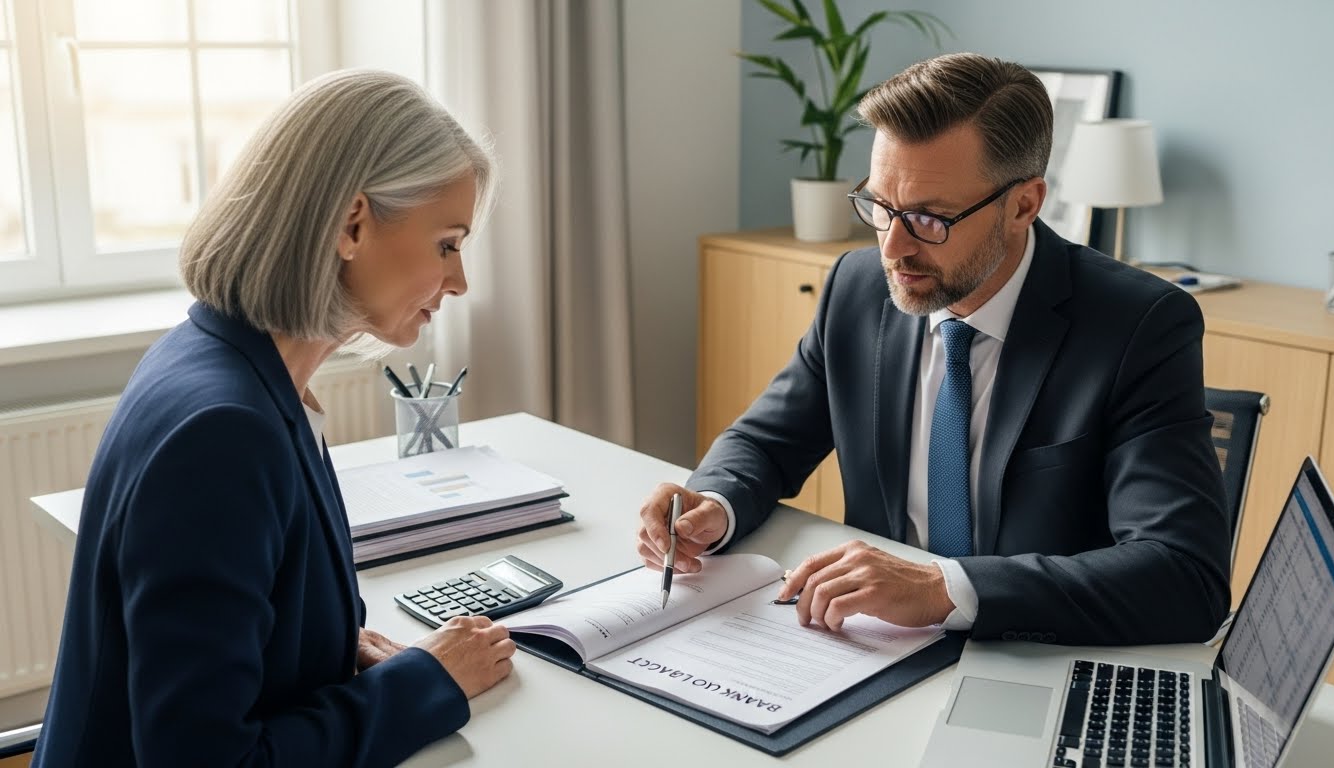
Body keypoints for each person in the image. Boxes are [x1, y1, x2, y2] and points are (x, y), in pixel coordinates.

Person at [636, 53, 1230, 647]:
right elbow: (767, 441)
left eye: (928, 218)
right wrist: (713, 502)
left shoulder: (1139, 325)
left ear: (1023, 205)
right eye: (879, 206)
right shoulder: (858, 287)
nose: (893, 247)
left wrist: (944, 588)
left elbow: (1185, 575)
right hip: (866, 648)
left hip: (1032, 653)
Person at [35, 70, 513, 767]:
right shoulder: (225, 431)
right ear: (352, 224)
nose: (459, 280)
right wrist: (426, 682)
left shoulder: (229, 360)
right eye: (447, 243)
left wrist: (327, 649)